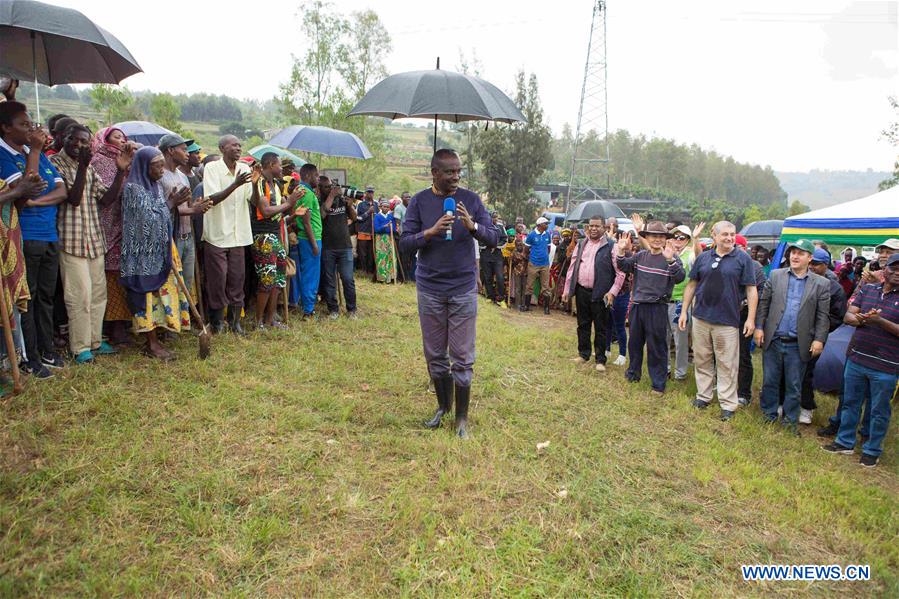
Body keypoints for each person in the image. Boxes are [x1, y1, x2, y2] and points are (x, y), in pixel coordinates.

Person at [399, 149, 497, 438]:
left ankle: (461, 420)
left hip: (462, 289)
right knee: (434, 355)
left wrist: (473, 226)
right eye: (449, 172)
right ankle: (443, 407)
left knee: (463, 356)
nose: (455, 177)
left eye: (458, 171)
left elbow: (494, 237)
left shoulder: (471, 200)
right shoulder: (418, 202)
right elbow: (405, 243)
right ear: (434, 173)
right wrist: (429, 233)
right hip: (429, 289)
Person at [50, 124, 132, 363]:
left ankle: (96, 341)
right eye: (75, 140)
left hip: (95, 239)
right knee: (79, 295)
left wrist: (119, 171)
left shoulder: (90, 168)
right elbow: (73, 199)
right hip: (72, 241)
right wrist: (84, 166)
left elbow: (106, 199)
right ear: (64, 139)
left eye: (85, 141)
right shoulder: (57, 164)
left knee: (98, 294)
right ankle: (80, 347)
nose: (80, 145)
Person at [0, 102, 67, 378]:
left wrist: (33, 197)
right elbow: (22, 196)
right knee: (26, 297)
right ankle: (29, 358)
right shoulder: (5, 155)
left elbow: (61, 190)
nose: (31, 129)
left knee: (46, 297)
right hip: (23, 236)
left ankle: (46, 349)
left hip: (50, 234)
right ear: (5, 128)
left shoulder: (30, 152)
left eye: (31, 124)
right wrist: (37, 150)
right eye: (24, 125)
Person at [823, 253, 899, 467]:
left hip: (886, 366)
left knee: (879, 410)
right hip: (857, 357)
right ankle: (844, 442)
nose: (897, 273)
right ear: (885, 270)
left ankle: (872, 450)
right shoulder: (868, 289)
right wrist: (862, 319)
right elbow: (848, 315)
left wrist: (879, 320)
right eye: (894, 268)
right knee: (850, 402)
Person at [679, 221, 758, 420]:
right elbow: (691, 285)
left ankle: (728, 404)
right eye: (725, 234)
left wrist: (750, 319)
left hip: (727, 321)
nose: (730, 238)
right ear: (714, 236)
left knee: (727, 363)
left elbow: (751, 289)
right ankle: (703, 396)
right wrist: (683, 312)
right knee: (702, 358)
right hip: (701, 317)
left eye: (732, 234)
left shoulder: (743, 259)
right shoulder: (704, 258)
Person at [120, 147, 191, 360]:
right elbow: (146, 222)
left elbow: (162, 217)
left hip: (159, 252)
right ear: (144, 166)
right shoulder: (133, 188)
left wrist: (170, 203)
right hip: (141, 257)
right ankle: (150, 343)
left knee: (161, 296)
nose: (161, 170)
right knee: (146, 299)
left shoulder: (156, 187)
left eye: (162, 164)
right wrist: (171, 203)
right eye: (157, 165)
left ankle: (158, 337)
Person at [754, 240, 831, 434]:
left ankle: (790, 422)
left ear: (810, 258)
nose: (795, 256)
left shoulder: (821, 283)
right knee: (770, 380)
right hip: (774, 339)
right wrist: (759, 327)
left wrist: (819, 339)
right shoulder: (776, 275)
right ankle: (768, 415)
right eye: (793, 252)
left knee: (794, 385)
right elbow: (764, 303)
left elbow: (823, 316)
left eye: (801, 253)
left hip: (798, 343)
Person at [617, 221, 685, 395]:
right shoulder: (641, 256)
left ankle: (658, 383)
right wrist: (621, 250)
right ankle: (633, 374)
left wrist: (670, 260)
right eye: (653, 236)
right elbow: (623, 266)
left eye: (661, 236)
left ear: (665, 239)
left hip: (658, 307)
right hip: (638, 306)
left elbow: (680, 277)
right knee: (635, 343)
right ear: (646, 237)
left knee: (657, 347)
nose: (657, 239)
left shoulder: (671, 257)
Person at [202, 135, 253, 335]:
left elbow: (251, 199)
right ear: (223, 148)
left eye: (240, 145)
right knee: (217, 279)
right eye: (234, 145)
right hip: (217, 234)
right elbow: (211, 199)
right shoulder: (211, 169)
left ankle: (235, 322)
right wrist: (235, 184)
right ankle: (217, 322)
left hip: (238, 234)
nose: (238, 148)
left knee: (237, 279)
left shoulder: (245, 169)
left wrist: (255, 185)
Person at [562, 217, 624, 372]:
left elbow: (620, 273)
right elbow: (572, 268)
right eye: (591, 226)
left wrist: (612, 292)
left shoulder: (611, 246)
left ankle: (600, 360)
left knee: (601, 327)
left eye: (597, 226)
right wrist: (567, 289)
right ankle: (583, 354)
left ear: (604, 227)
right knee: (582, 324)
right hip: (582, 290)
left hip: (602, 294)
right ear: (588, 227)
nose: (594, 229)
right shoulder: (581, 244)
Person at [248, 152, 299, 330]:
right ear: (270, 164)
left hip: (276, 234)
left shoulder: (276, 185)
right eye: (279, 165)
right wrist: (289, 203)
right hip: (263, 237)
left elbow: (280, 211)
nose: (282, 169)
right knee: (266, 280)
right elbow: (266, 210)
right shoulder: (260, 183)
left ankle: (271, 320)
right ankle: (259, 322)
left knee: (278, 278)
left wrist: (291, 203)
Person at [159, 134, 210, 303]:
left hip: (188, 236)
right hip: (171, 237)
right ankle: (170, 326)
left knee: (187, 280)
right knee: (170, 281)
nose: (187, 153)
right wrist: (192, 209)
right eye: (183, 149)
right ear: (171, 150)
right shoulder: (159, 175)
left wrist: (196, 206)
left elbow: (187, 206)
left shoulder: (183, 177)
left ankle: (183, 320)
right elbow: (160, 209)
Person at [319, 175, 357, 319]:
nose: (330, 189)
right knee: (329, 281)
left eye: (331, 186)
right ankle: (333, 310)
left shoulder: (342, 199)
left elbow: (354, 218)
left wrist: (350, 206)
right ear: (321, 188)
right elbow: (323, 214)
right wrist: (332, 196)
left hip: (345, 247)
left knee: (347, 279)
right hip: (328, 247)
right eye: (327, 187)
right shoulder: (320, 200)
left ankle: (352, 310)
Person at [735, 234, 767, 406]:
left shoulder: (754, 266)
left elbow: (762, 291)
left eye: (738, 246)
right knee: (724, 354)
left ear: (744, 248)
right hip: (726, 315)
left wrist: (748, 306)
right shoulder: (727, 262)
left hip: (745, 315)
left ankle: (744, 393)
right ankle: (727, 385)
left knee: (743, 355)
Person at [667, 224, 699, 381]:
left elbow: (699, 257)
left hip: (681, 303)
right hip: (663, 300)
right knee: (663, 337)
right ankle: (665, 369)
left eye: (682, 237)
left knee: (680, 340)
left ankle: (680, 373)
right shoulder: (666, 253)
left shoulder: (690, 254)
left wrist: (697, 238)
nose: (678, 240)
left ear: (687, 240)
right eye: (675, 237)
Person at [293, 163, 322, 319]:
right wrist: (314, 244)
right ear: (308, 176)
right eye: (316, 176)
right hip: (311, 239)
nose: (318, 179)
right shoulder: (306, 193)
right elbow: (305, 221)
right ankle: (308, 311)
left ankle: (308, 307)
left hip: (309, 238)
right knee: (311, 275)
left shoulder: (304, 191)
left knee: (309, 273)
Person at [524, 217, 552, 314]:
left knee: (546, 286)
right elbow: (526, 249)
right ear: (539, 225)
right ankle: (526, 306)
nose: (547, 225)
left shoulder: (547, 234)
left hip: (545, 264)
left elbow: (548, 249)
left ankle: (546, 309)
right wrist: (531, 258)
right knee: (529, 285)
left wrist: (543, 257)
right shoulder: (531, 235)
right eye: (545, 224)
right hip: (533, 263)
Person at [479, 211, 507, 305]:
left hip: (497, 255)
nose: (495, 219)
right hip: (485, 254)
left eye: (496, 217)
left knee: (500, 277)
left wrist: (495, 245)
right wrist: (489, 245)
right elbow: (479, 240)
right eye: (493, 217)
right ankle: (490, 297)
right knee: (488, 277)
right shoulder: (482, 226)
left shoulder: (500, 226)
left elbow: (504, 239)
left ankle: (501, 299)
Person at [373, 198, 397, 283]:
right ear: (381, 207)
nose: (386, 208)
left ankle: (390, 277)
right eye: (384, 206)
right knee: (382, 257)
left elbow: (394, 229)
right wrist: (385, 226)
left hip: (389, 238)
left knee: (390, 257)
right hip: (381, 239)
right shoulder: (377, 216)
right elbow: (376, 229)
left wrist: (392, 228)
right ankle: (382, 277)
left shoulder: (391, 216)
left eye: (387, 207)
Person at [355, 186, 375, 274]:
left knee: (371, 253)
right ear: (365, 193)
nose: (370, 194)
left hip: (373, 233)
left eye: (372, 192)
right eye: (368, 192)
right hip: (363, 232)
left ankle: (370, 271)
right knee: (363, 254)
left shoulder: (376, 204)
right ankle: (363, 270)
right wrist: (368, 212)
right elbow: (358, 218)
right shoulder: (360, 205)